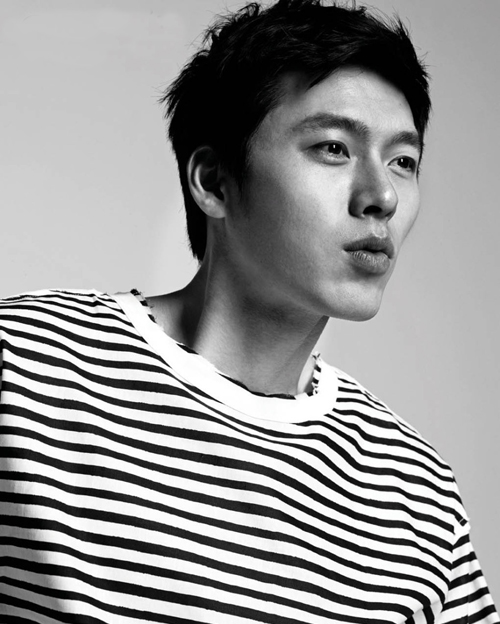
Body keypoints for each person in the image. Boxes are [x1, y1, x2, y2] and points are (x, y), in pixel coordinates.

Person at [0, 0, 497, 622]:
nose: (383, 196)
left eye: (403, 161)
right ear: (213, 181)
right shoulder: (24, 369)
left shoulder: (416, 494)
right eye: (333, 148)